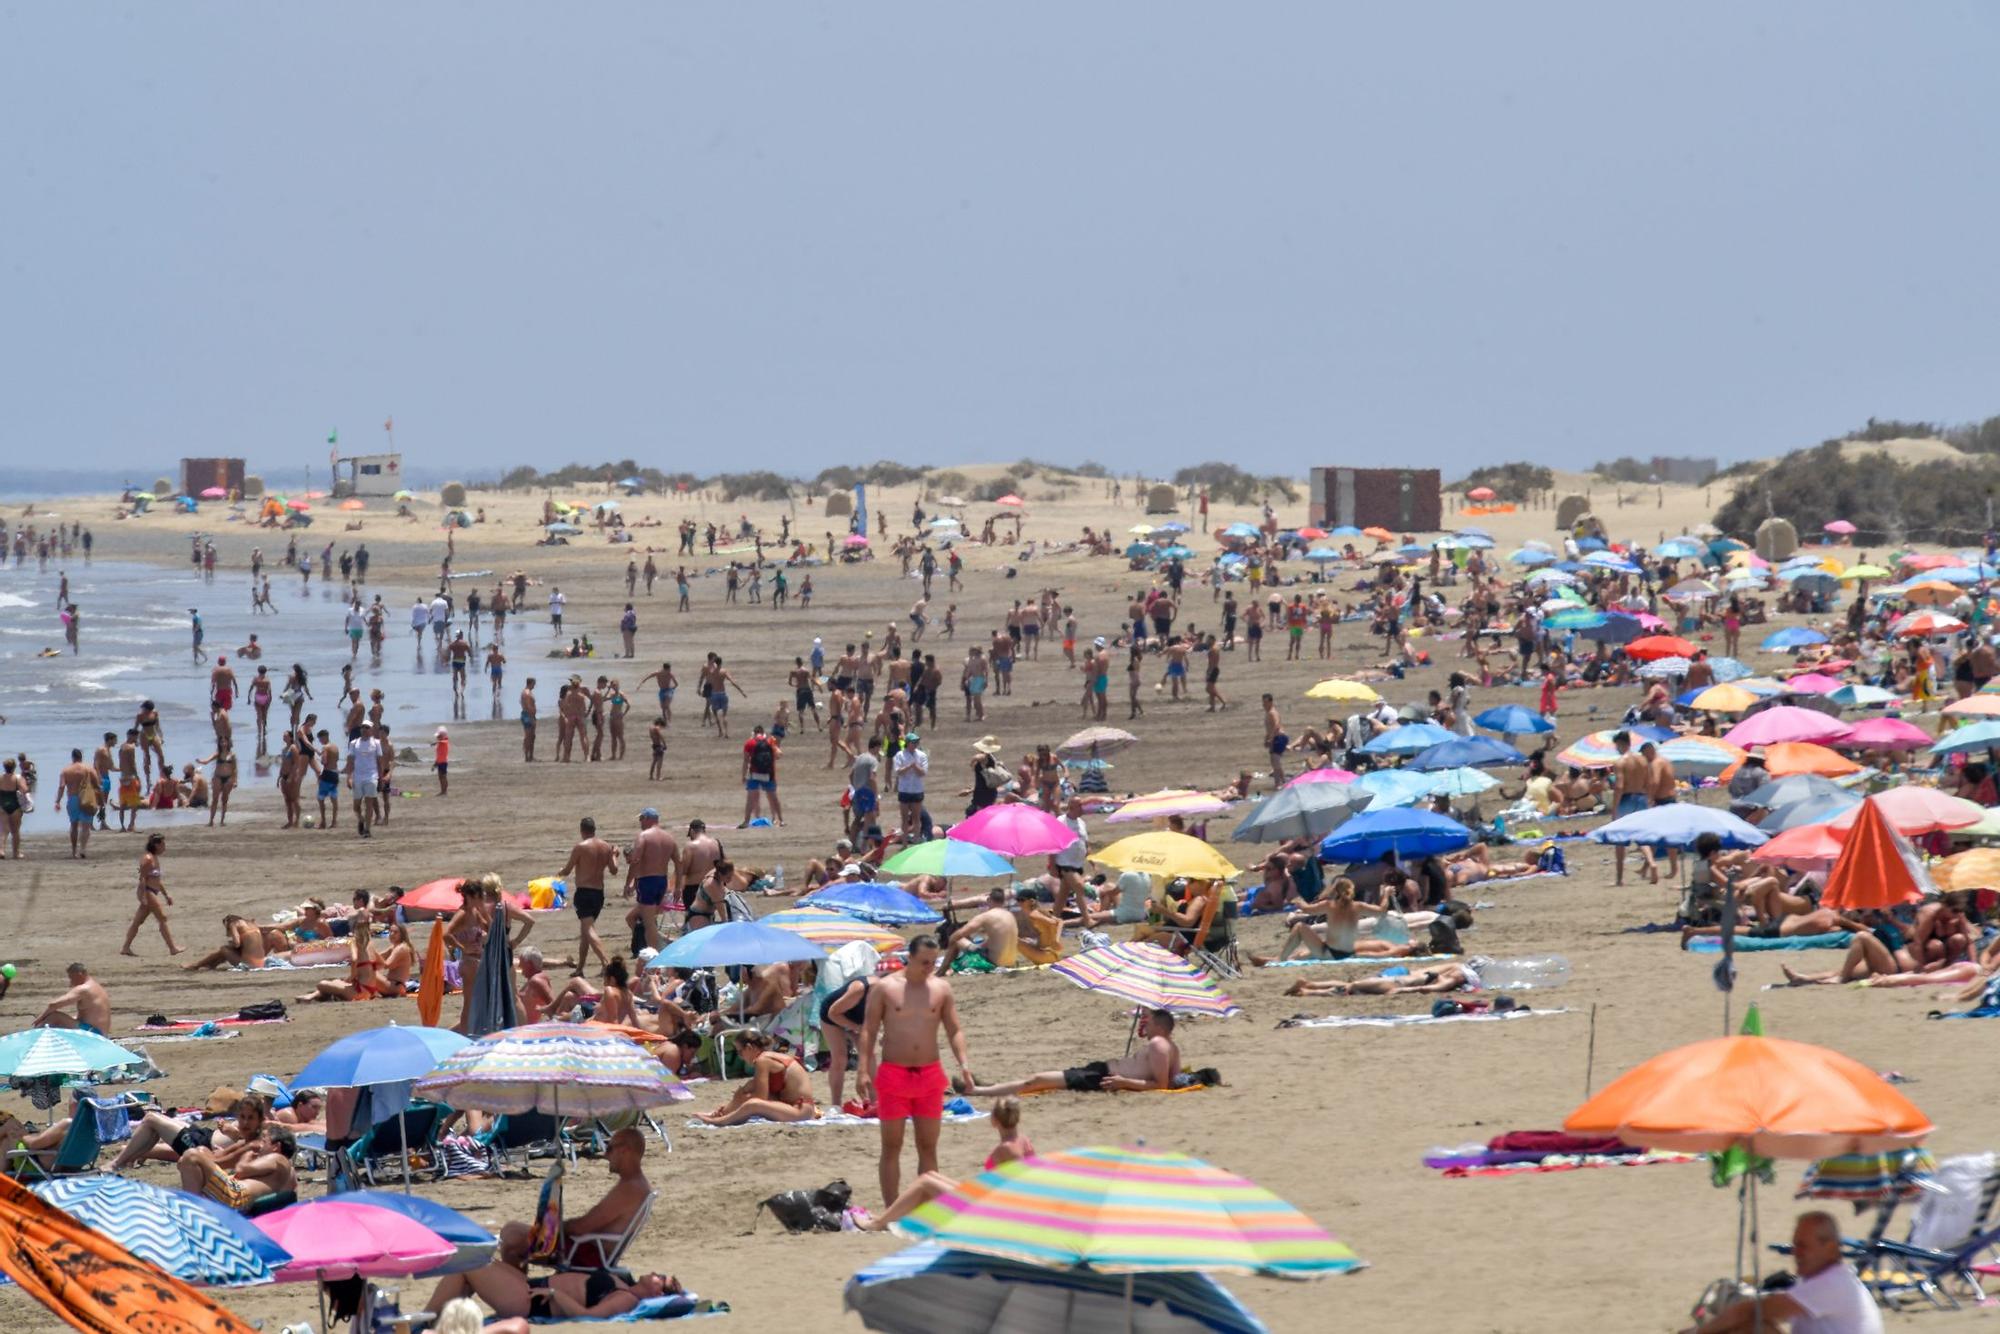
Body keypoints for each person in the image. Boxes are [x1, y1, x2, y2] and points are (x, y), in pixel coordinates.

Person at [859, 935, 973, 1206]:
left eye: (933, 963)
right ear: (909, 957)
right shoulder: (885, 988)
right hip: (894, 1073)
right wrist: (863, 1068)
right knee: (892, 1145)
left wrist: (964, 1064)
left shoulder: (941, 988)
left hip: (929, 1074)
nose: (928, 968)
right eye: (924, 962)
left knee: (928, 1146)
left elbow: (954, 1029)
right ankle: (891, 1208)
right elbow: (869, 1029)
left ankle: (927, 1208)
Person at [1685, 1211, 1881, 1333]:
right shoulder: (1829, 1279)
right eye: (1795, 1245)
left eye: (1803, 1246)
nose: (1796, 1253)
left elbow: (1749, 1311)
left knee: (1748, 1323)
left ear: (1830, 1248)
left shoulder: (1831, 1283)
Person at [860, 1096, 1032, 1231]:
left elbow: (1018, 1188)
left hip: (990, 1211)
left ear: (994, 1121)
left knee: (925, 1183)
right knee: (930, 1176)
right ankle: (887, 1218)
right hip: (991, 1201)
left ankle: (879, 1223)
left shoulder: (1006, 1149)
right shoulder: (1024, 1142)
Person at [963, 1007, 1192, 1096]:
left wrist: (1124, 1082)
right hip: (1103, 1072)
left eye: (1149, 1022)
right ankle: (987, 1087)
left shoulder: (1158, 1045)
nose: (1145, 1025)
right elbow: (1171, 1079)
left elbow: (1161, 1085)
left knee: (1037, 1080)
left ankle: (978, 1091)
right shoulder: (1170, 1046)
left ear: (1160, 1027)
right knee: (1039, 1080)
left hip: (1103, 1078)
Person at [551, 1127, 654, 1265]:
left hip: (587, 1253)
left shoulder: (630, 1189)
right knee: (516, 1234)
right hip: (589, 1249)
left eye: (609, 1148)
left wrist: (555, 1228)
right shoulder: (637, 1184)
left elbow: (581, 1228)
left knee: (516, 1236)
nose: (606, 1155)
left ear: (625, 1150)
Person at [695, 1029, 821, 1126]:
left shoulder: (763, 1060)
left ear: (749, 1048)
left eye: (739, 1052)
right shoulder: (769, 1057)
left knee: (752, 1103)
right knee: (750, 1085)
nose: (740, 1056)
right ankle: (720, 1113)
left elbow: (761, 1098)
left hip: (801, 1111)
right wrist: (742, 1096)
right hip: (799, 1107)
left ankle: (721, 1120)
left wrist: (742, 1097)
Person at [178, 1125, 297, 1213]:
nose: (259, 1145)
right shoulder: (279, 1165)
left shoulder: (278, 1158)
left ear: (276, 1147)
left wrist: (247, 1153)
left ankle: (192, 1212)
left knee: (192, 1155)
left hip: (237, 1196)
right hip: (235, 1194)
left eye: (264, 1141)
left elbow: (240, 1170)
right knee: (193, 1156)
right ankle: (194, 1207)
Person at [558, 817, 620, 973]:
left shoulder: (581, 847)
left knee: (588, 930)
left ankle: (606, 963)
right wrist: (614, 855)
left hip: (584, 893)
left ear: (582, 830)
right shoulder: (606, 847)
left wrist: (558, 873)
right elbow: (614, 870)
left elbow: (567, 870)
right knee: (586, 931)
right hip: (599, 894)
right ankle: (580, 968)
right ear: (594, 829)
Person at [624, 807, 680, 952]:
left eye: (641, 819)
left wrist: (627, 883)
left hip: (647, 881)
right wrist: (678, 886)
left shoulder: (643, 836)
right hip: (662, 881)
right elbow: (679, 863)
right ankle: (660, 946)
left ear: (648, 819)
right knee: (650, 921)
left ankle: (655, 955)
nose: (640, 822)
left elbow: (635, 860)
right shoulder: (669, 837)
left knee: (648, 923)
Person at [121, 832, 181, 956]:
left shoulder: (155, 858)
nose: (165, 847)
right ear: (156, 845)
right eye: (163, 844)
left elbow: (157, 880)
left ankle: (125, 948)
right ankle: (172, 948)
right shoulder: (148, 859)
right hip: (147, 892)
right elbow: (142, 878)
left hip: (152, 891)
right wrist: (143, 897)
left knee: (138, 921)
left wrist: (166, 895)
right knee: (162, 918)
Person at [1611, 730, 1657, 885]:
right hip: (1642, 798)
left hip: (1626, 799)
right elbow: (1650, 782)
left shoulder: (1620, 762)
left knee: (1620, 838)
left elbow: (1619, 786)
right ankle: (1651, 863)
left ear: (1620, 744)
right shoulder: (1643, 760)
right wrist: (1649, 799)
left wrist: (1614, 807)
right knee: (1641, 835)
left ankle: (1619, 878)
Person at [941, 887, 1020, 969]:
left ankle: (942, 970)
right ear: (1003, 901)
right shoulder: (1010, 915)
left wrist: (950, 941)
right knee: (973, 943)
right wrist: (978, 946)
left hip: (994, 962)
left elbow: (959, 934)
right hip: (1011, 961)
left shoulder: (986, 916)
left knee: (956, 939)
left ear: (989, 900)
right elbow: (998, 939)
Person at [34, 962, 111, 1032]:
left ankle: (34, 1035)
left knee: (55, 1016)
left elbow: (54, 1004)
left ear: (79, 974)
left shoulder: (83, 989)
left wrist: (40, 1018)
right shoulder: (95, 986)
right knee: (69, 1019)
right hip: (101, 1031)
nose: (71, 982)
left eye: (72, 978)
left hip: (92, 1032)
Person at [740, 724, 784, 827]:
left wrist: (743, 775)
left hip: (754, 774)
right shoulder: (770, 741)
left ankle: (746, 821)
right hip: (768, 774)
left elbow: (746, 761)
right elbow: (779, 754)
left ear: (754, 733)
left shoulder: (749, 743)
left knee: (750, 798)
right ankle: (781, 820)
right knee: (773, 798)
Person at [892, 730, 929, 838]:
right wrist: (909, 767)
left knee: (916, 817)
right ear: (907, 743)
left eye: (917, 742)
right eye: (913, 742)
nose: (915, 744)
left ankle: (916, 839)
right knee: (904, 818)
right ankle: (904, 841)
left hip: (917, 790)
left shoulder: (922, 755)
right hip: (904, 789)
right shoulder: (900, 755)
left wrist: (915, 767)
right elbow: (898, 771)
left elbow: (923, 773)